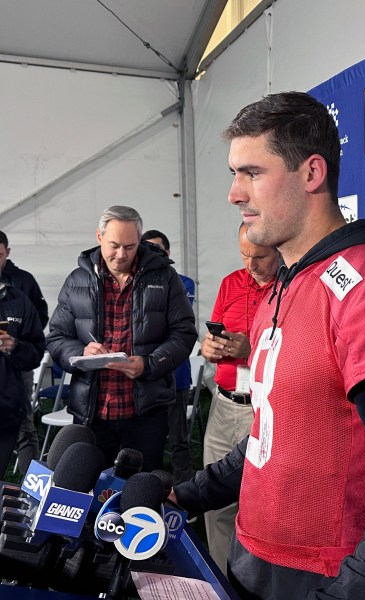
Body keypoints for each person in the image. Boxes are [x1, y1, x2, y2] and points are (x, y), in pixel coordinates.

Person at [171, 92, 365, 599]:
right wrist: (186, 493)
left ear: (312, 174)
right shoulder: (286, 285)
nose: (233, 193)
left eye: (251, 173)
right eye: (234, 174)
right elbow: (278, 436)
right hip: (252, 565)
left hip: (324, 581)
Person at [46, 206, 197, 472]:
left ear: (139, 240)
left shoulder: (164, 277)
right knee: (90, 493)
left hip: (145, 411)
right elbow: (57, 336)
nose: (121, 255)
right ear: (99, 237)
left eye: (130, 246)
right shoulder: (77, 279)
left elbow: (184, 333)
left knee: (140, 493)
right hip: (92, 411)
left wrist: (148, 364)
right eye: (114, 245)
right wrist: (81, 352)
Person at [200, 222, 279, 574]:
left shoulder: (292, 287)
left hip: (265, 410)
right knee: (215, 506)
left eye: (260, 257)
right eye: (245, 255)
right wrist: (210, 349)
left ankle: (255, 583)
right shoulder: (231, 283)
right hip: (224, 405)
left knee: (264, 505)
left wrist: (252, 350)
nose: (251, 264)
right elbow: (210, 345)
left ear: (278, 249)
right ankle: (220, 583)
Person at [140, 229, 196, 485]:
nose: (151, 254)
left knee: (179, 440)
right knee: (147, 441)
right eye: (146, 248)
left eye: (157, 249)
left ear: (168, 253)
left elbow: (172, 325)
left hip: (176, 375)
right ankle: (146, 493)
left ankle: (183, 497)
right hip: (145, 377)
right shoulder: (135, 283)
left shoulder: (182, 282)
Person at [0, 230, 49, 474]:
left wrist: (16, 342)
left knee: (25, 425)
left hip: (17, 371)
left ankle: (30, 487)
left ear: (7, 252)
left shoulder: (22, 283)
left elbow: (39, 317)